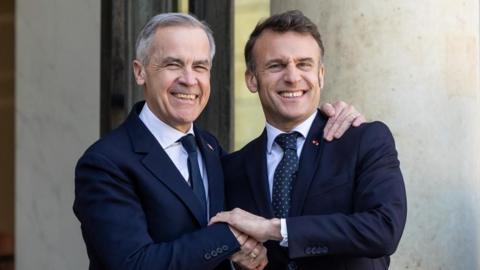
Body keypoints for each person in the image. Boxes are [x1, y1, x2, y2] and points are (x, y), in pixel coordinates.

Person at [73, 12, 363, 270]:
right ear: (140, 72)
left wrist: (334, 118)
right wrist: (229, 237)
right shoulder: (105, 162)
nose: (189, 80)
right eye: (173, 64)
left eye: (200, 67)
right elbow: (132, 264)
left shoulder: (212, 149)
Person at [211, 10, 407, 270]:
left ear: (321, 75)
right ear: (251, 79)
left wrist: (274, 229)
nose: (292, 77)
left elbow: (384, 229)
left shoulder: (363, 140)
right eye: (276, 65)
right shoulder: (232, 168)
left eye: (304, 64)